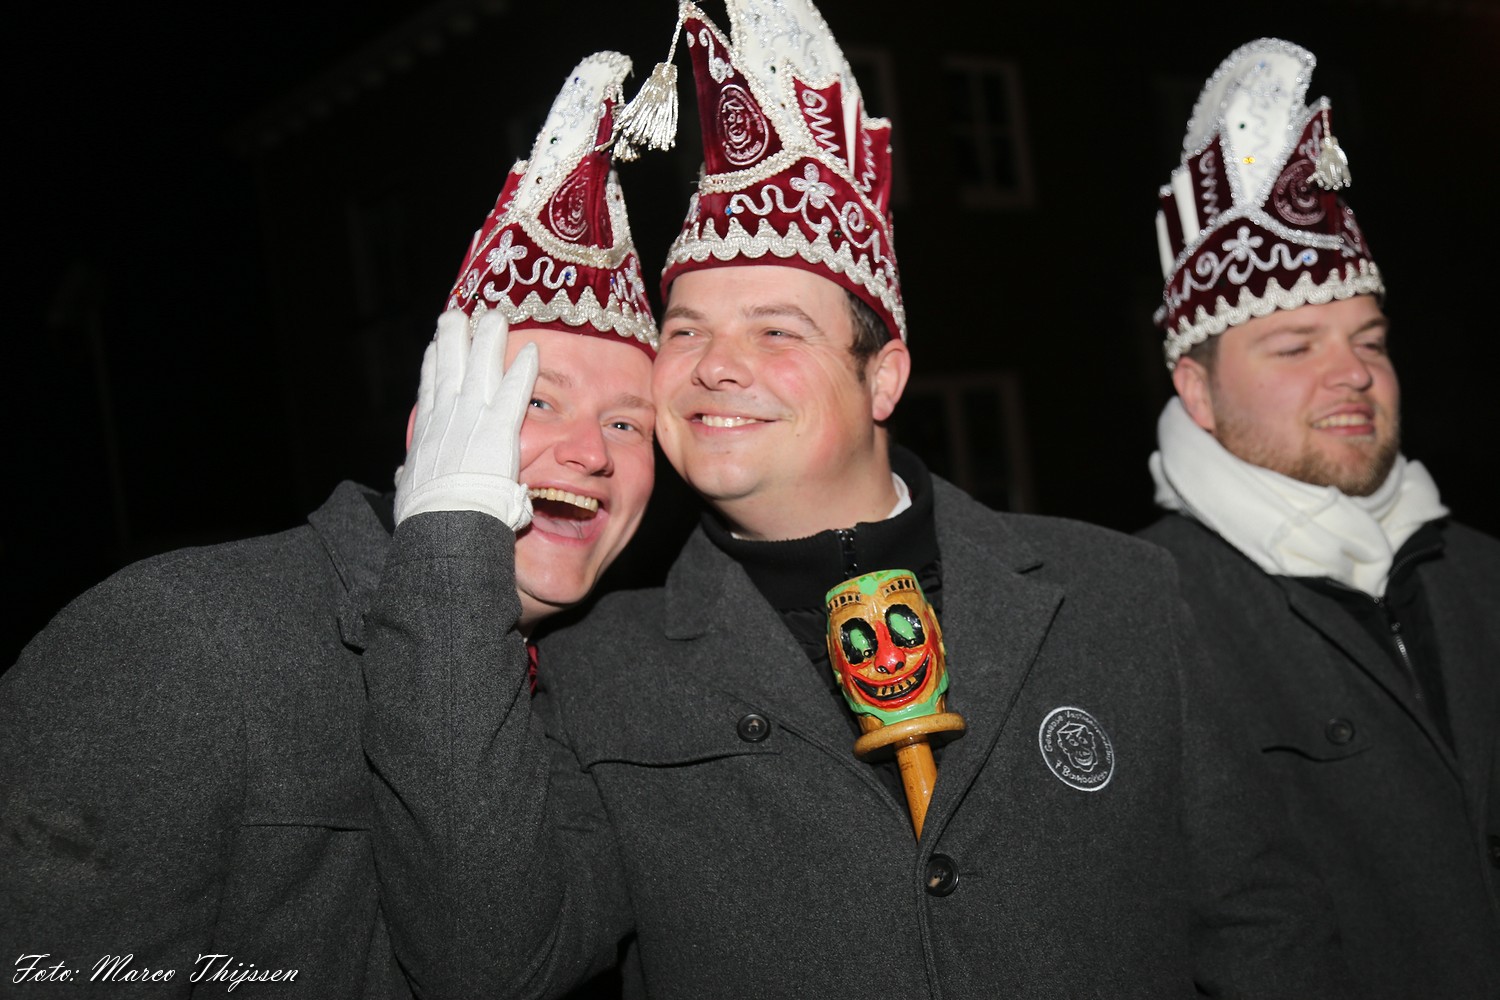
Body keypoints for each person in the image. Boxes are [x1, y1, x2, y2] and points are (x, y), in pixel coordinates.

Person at [365, 4, 1350, 998]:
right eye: (687, 331)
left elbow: (1264, 927)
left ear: (883, 379)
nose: (714, 367)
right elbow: (487, 961)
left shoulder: (1120, 593)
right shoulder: (598, 671)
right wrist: (450, 544)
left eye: (776, 332)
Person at [0, 51, 657, 998]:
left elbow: (499, 965)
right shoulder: (181, 639)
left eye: (629, 424)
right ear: (432, 430)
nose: (592, 452)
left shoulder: (611, 700)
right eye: (537, 400)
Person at [1139, 38, 1500, 1000]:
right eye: (1296, 346)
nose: (1353, 374)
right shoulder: (1141, 616)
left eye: (1369, 341)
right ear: (1199, 392)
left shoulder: (1481, 574)